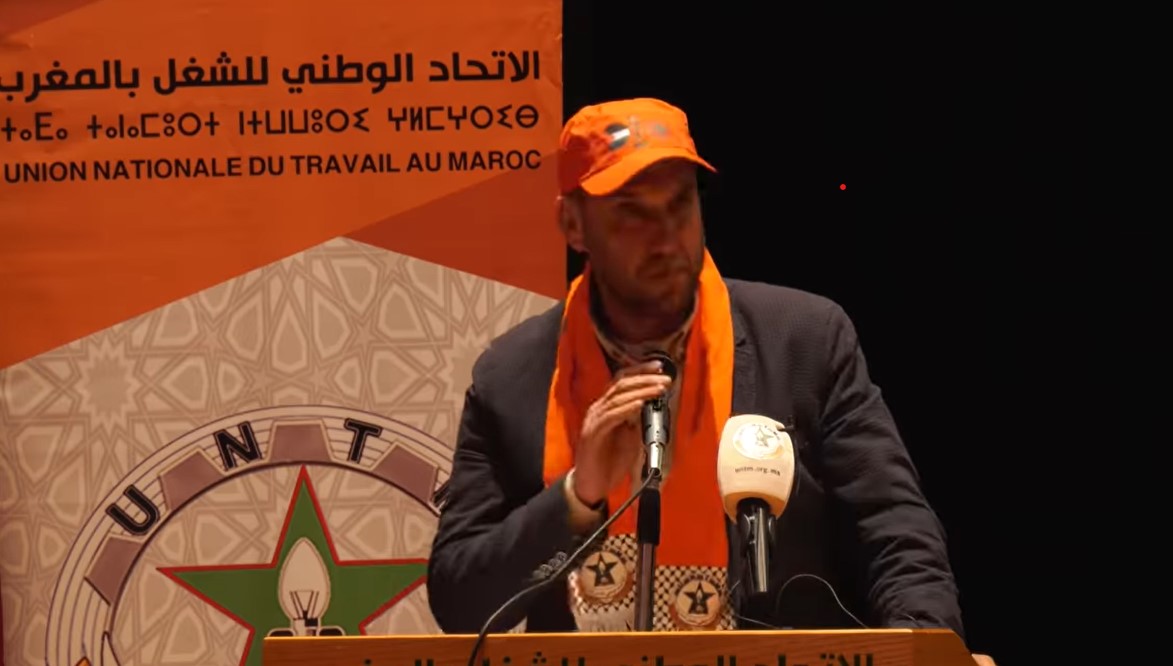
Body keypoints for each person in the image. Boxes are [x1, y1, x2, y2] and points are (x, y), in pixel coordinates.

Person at [427, 97, 996, 665]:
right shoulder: (512, 378)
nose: (665, 237)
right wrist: (579, 496)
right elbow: (459, 600)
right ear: (573, 225)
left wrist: (927, 650)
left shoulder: (803, 342)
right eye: (632, 212)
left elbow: (894, 533)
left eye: (680, 204)